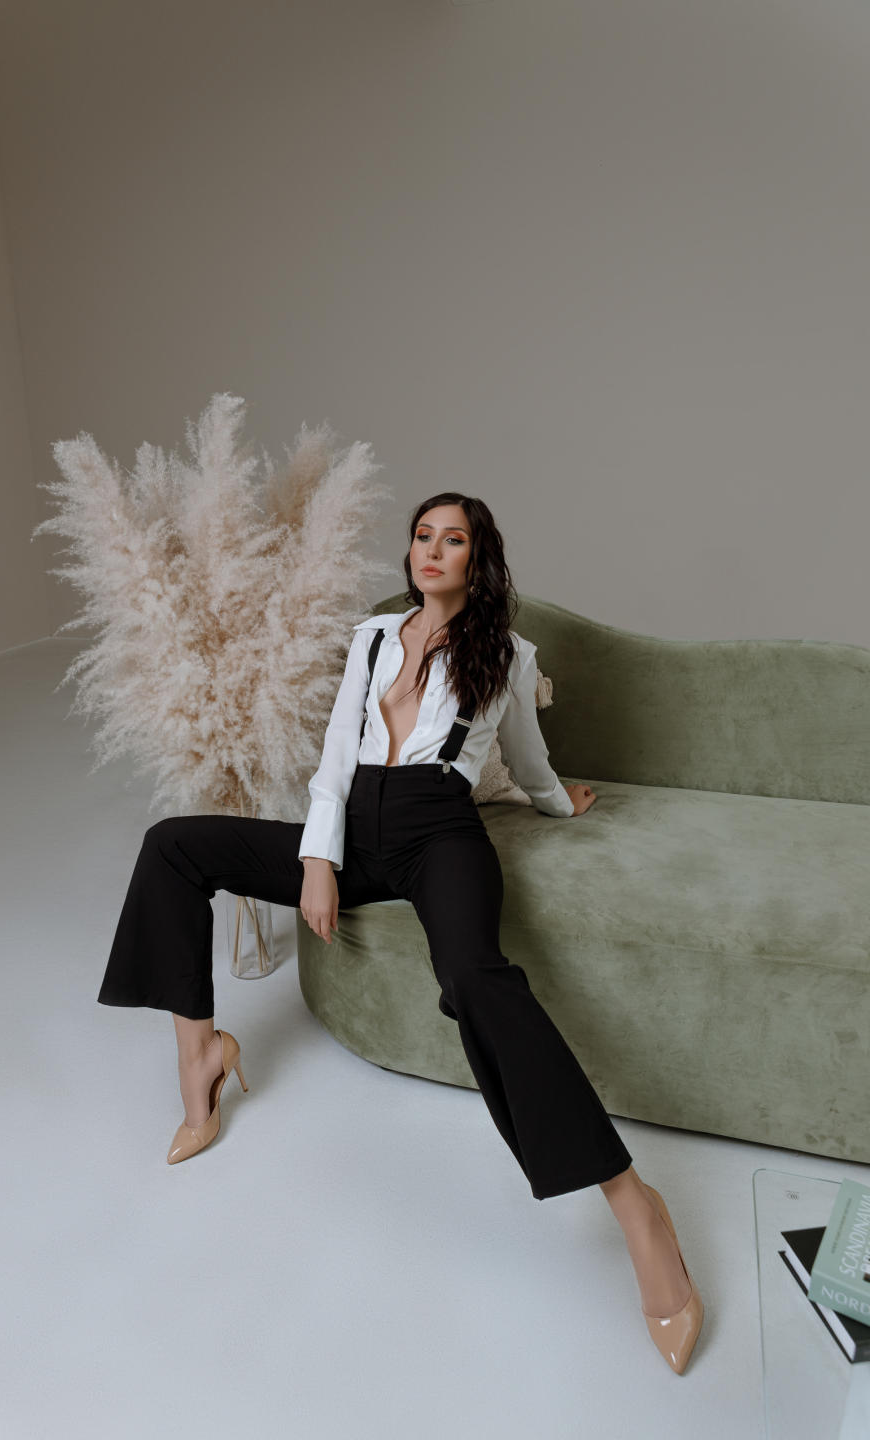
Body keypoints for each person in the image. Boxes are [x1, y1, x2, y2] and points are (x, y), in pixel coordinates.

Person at [97, 491, 704, 1375]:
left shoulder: (507, 652)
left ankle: (634, 1203)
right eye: (423, 536)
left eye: (453, 540)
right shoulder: (374, 637)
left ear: (476, 560)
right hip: (352, 834)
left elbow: (527, 758)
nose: (432, 550)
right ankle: (202, 1057)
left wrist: (556, 802)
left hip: (440, 836)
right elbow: (337, 756)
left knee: (475, 979)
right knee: (172, 846)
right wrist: (318, 858)